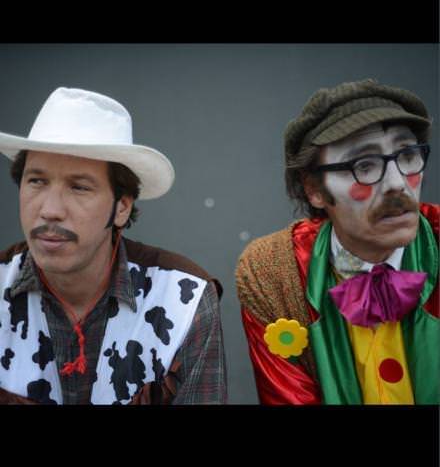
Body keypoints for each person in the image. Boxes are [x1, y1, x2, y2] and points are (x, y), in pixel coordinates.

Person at [0, 87, 227, 404]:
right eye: (36, 181)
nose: (50, 210)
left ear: (121, 207)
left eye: (79, 187)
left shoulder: (183, 300)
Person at [236, 79, 439, 405]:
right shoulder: (275, 274)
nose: (397, 183)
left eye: (407, 155)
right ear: (315, 190)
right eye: (365, 165)